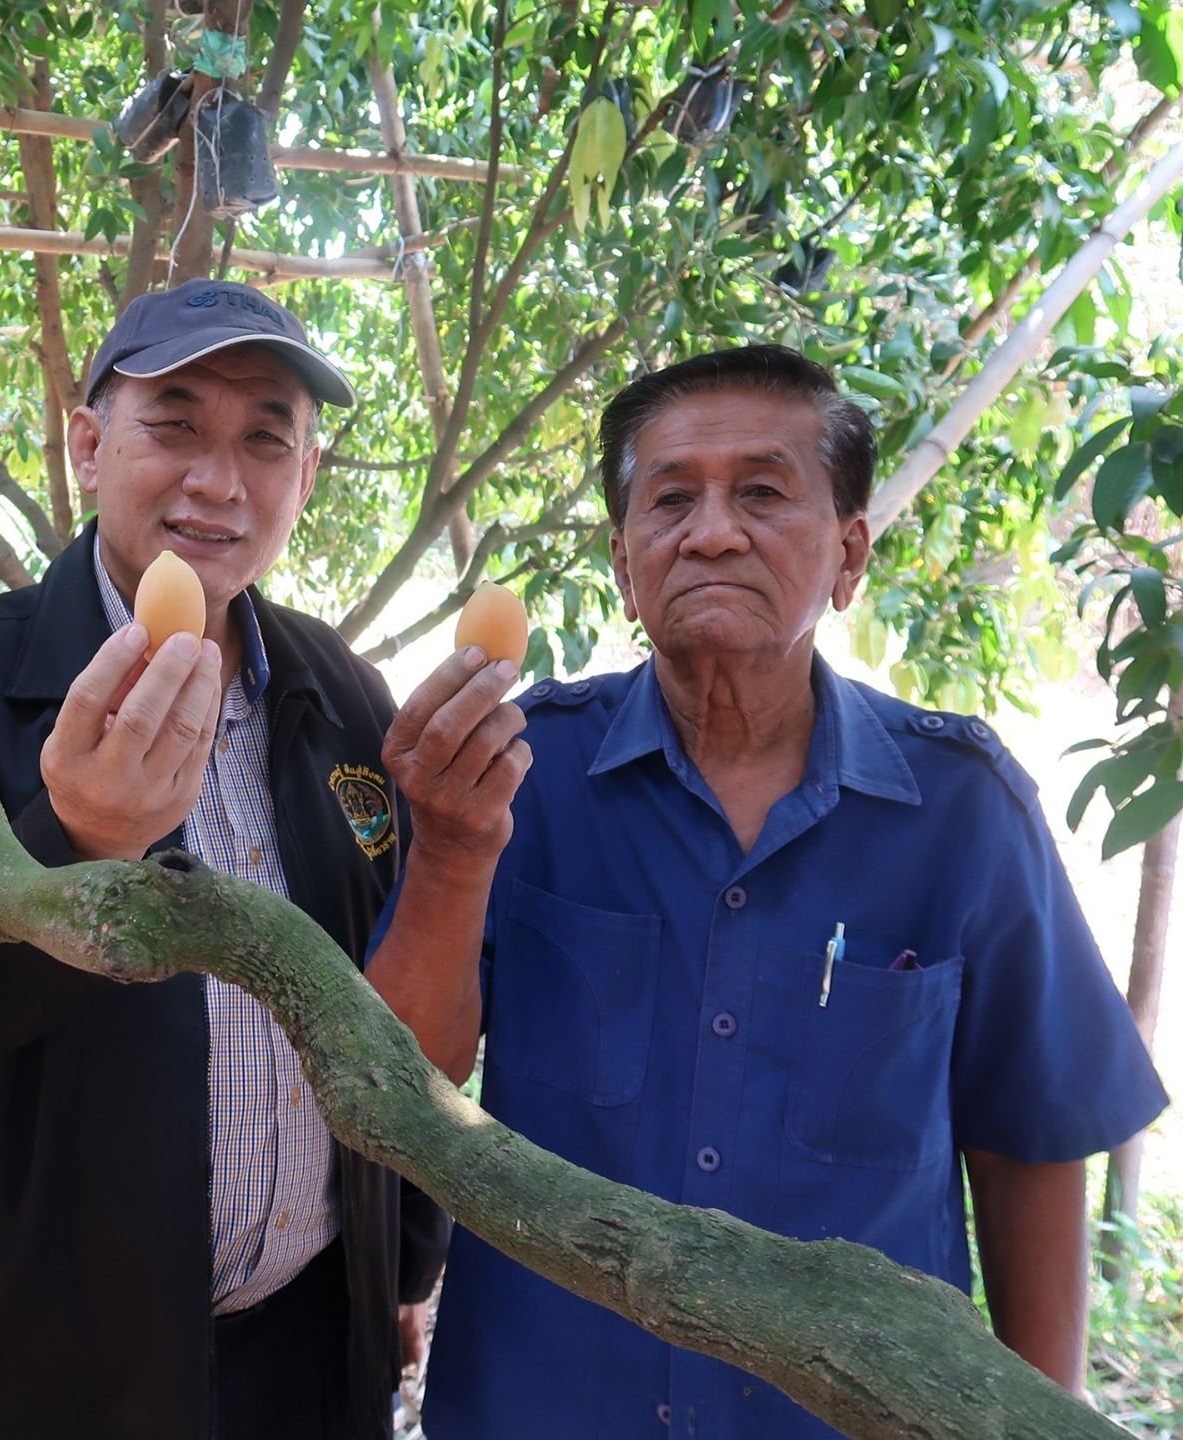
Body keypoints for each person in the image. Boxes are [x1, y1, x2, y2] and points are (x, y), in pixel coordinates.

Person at [365, 344, 1169, 1438]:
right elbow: (396, 1091)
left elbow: (1029, 1144)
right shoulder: (520, 775)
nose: (710, 531)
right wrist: (454, 856)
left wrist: (1038, 1415)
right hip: (544, 1408)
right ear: (623, 560)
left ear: (849, 555)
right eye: (672, 499)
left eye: (761, 492)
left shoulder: (960, 809)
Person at [0, 278, 449, 1440]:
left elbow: (378, 1014)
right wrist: (76, 848)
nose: (221, 480)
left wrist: (393, 1265)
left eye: (267, 440)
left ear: (305, 480)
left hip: (308, 1363)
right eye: (176, 426)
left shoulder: (342, 698)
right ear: (90, 444)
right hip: (44, 1389)